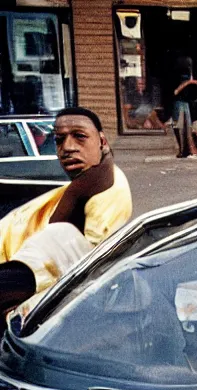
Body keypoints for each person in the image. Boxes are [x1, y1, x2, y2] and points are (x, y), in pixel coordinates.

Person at [0, 107, 132, 309]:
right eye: (59, 139)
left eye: (79, 136)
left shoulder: (107, 192)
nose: (67, 147)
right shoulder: (83, 186)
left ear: (102, 142)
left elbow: (94, 269)